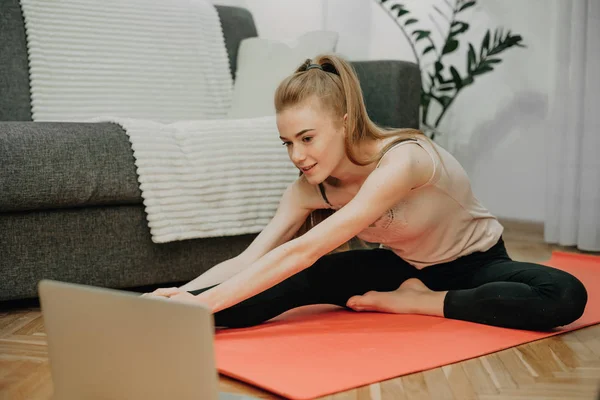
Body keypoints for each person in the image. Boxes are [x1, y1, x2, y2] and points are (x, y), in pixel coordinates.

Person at [142, 54, 588, 332]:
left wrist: (197, 305)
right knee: (231, 304)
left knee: (564, 295)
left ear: (343, 121)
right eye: (287, 143)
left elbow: (307, 249)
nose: (296, 154)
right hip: (398, 266)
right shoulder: (307, 190)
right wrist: (184, 298)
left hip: (476, 265)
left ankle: (421, 304)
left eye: (307, 137)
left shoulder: (404, 160)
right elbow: (249, 261)